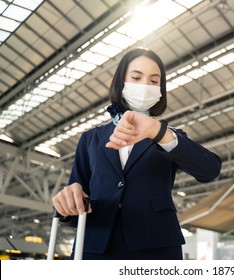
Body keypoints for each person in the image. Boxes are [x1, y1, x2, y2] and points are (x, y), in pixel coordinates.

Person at [52, 48, 222, 260]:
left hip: (156, 247)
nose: (144, 86)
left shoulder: (169, 136)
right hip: (95, 245)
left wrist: (156, 131)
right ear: (121, 81)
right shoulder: (91, 139)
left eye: (153, 81)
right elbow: (77, 197)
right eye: (136, 77)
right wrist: (69, 201)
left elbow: (210, 170)